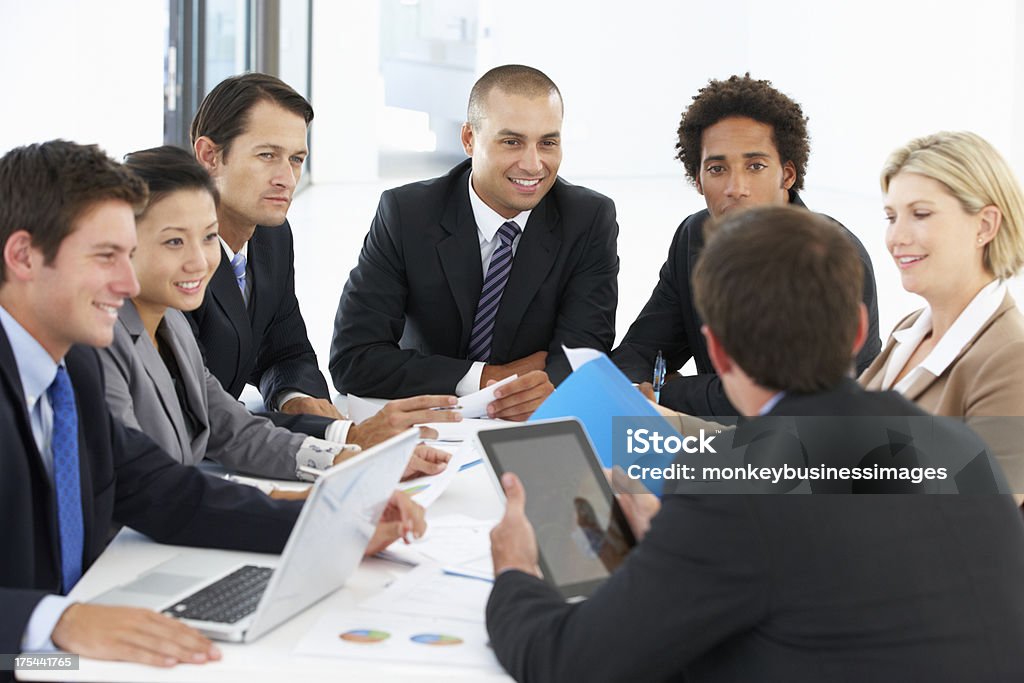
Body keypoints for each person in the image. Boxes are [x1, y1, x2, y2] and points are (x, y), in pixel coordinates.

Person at [485, 206, 1024, 682]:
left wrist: (514, 569)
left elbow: (569, 663)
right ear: (860, 331)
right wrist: (674, 546)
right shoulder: (960, 448)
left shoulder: (735, 484)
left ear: (716, 352)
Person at [0, 140, 424, 669]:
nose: (129, 282)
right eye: (107, 256)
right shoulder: (85, 360)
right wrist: (56, 621)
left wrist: (333, 525)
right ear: (22, 257)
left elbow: (166, 493)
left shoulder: (72, 370)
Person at [99, 145, 451, 484]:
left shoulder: (171, 323)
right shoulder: (100, 344)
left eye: (208, 237)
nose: (200, 261)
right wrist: (297, 505)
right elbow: (151, 485)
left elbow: (234, 429)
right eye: (175, 241)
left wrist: (353, 460)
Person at [329, 64, 618, 418]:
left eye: (548, 143)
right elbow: (352, 359)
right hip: (429, 421)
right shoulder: (407, 214)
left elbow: (583, 358)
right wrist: (484, 378)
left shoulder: (588, 219)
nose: (533, 164)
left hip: (527, 425)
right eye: (512, 142)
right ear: (469, 139)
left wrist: (547, 380)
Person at [187, 72, 460, 443]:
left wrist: (296, 399)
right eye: (267, 155)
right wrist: (335, 433)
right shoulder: (174, 254)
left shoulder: (271, 236)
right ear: (209, 156)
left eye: (296, 158)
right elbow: (192, 409)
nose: (286, 177)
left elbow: (287, 351)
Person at [611, 73, 881, 416]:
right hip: (716, 442)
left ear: (787, 175)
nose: (735, 187)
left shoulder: (833, 256)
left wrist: (669, 391)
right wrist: (640, 388)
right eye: (717, 169)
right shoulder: (693, 237)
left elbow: (783, 395)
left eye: (755, 166)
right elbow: (638, 353)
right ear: (697, 180)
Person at [860, 131, 1024, 501]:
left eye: (920, 214)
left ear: (985, 226)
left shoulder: (1012, 357)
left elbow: (983, 521)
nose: (896, 237)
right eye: (891, 217)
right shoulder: (909, 332)